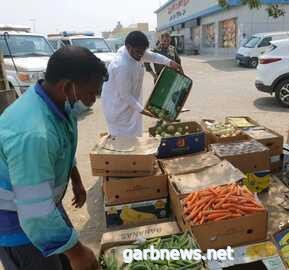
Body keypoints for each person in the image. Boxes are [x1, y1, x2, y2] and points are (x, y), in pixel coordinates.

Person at [0, 46, 108, 270]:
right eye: (91, 94)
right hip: (18, 222)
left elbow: (63, 147)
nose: (92, 101)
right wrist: (77, 253)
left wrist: (76, 180)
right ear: (68, 86)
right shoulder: (33, 134)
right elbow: (36, 214)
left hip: (43, 202)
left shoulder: (58, 103)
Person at [101, 31, 180, 137]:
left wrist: (169, 62)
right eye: (138, 52)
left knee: (134, 136)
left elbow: (154, 57)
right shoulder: (122, 66)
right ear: (128, 47)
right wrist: (143, 110)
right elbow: (125, 95)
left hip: (131, 103)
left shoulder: (136, 51)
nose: (140, 55)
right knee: (123, 141)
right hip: (118, 107)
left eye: (142, 52)